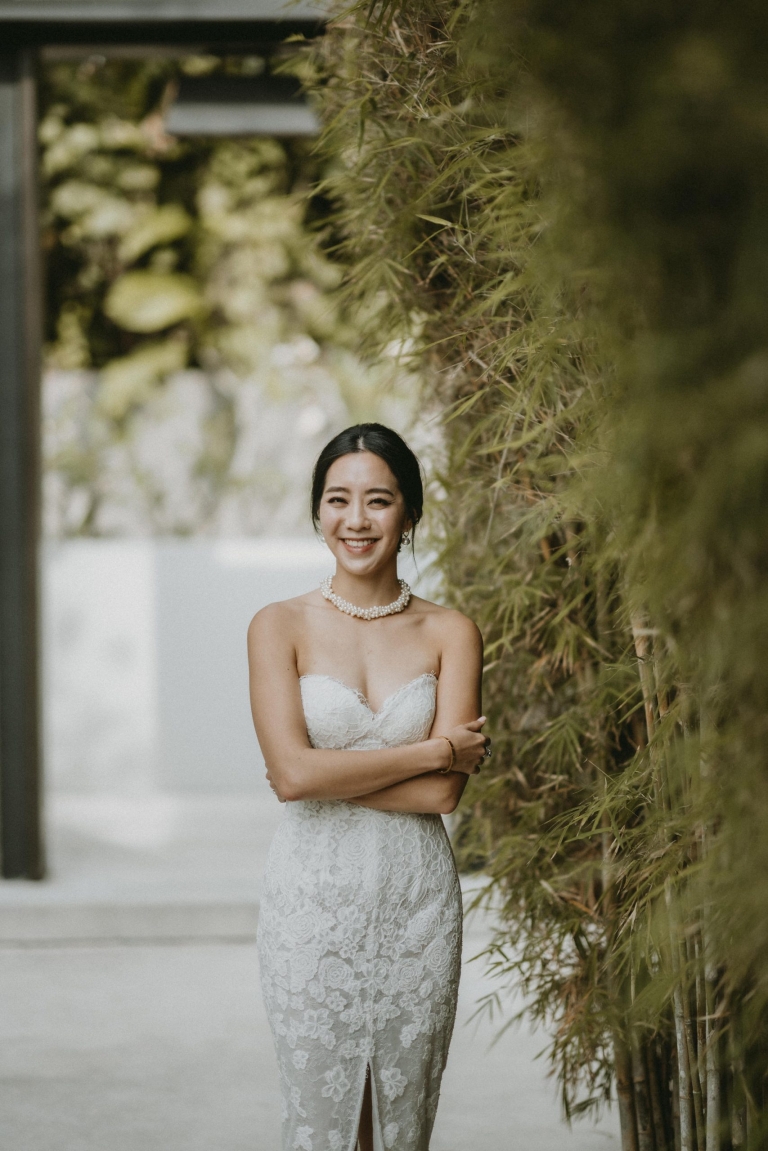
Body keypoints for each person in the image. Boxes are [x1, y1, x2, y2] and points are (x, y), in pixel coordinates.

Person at [248, 423, 489, 1151]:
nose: (357, 520)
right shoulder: (276, 625)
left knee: (403, 1126)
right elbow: (291, 776)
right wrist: (436, 748)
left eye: (378, 501)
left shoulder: (451, 631)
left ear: (409, 513)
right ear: (318, 511)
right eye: (338, 500)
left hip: (417, 908)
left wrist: (321, 775)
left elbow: (442, 797)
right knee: (322, 1125)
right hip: (309, 907)